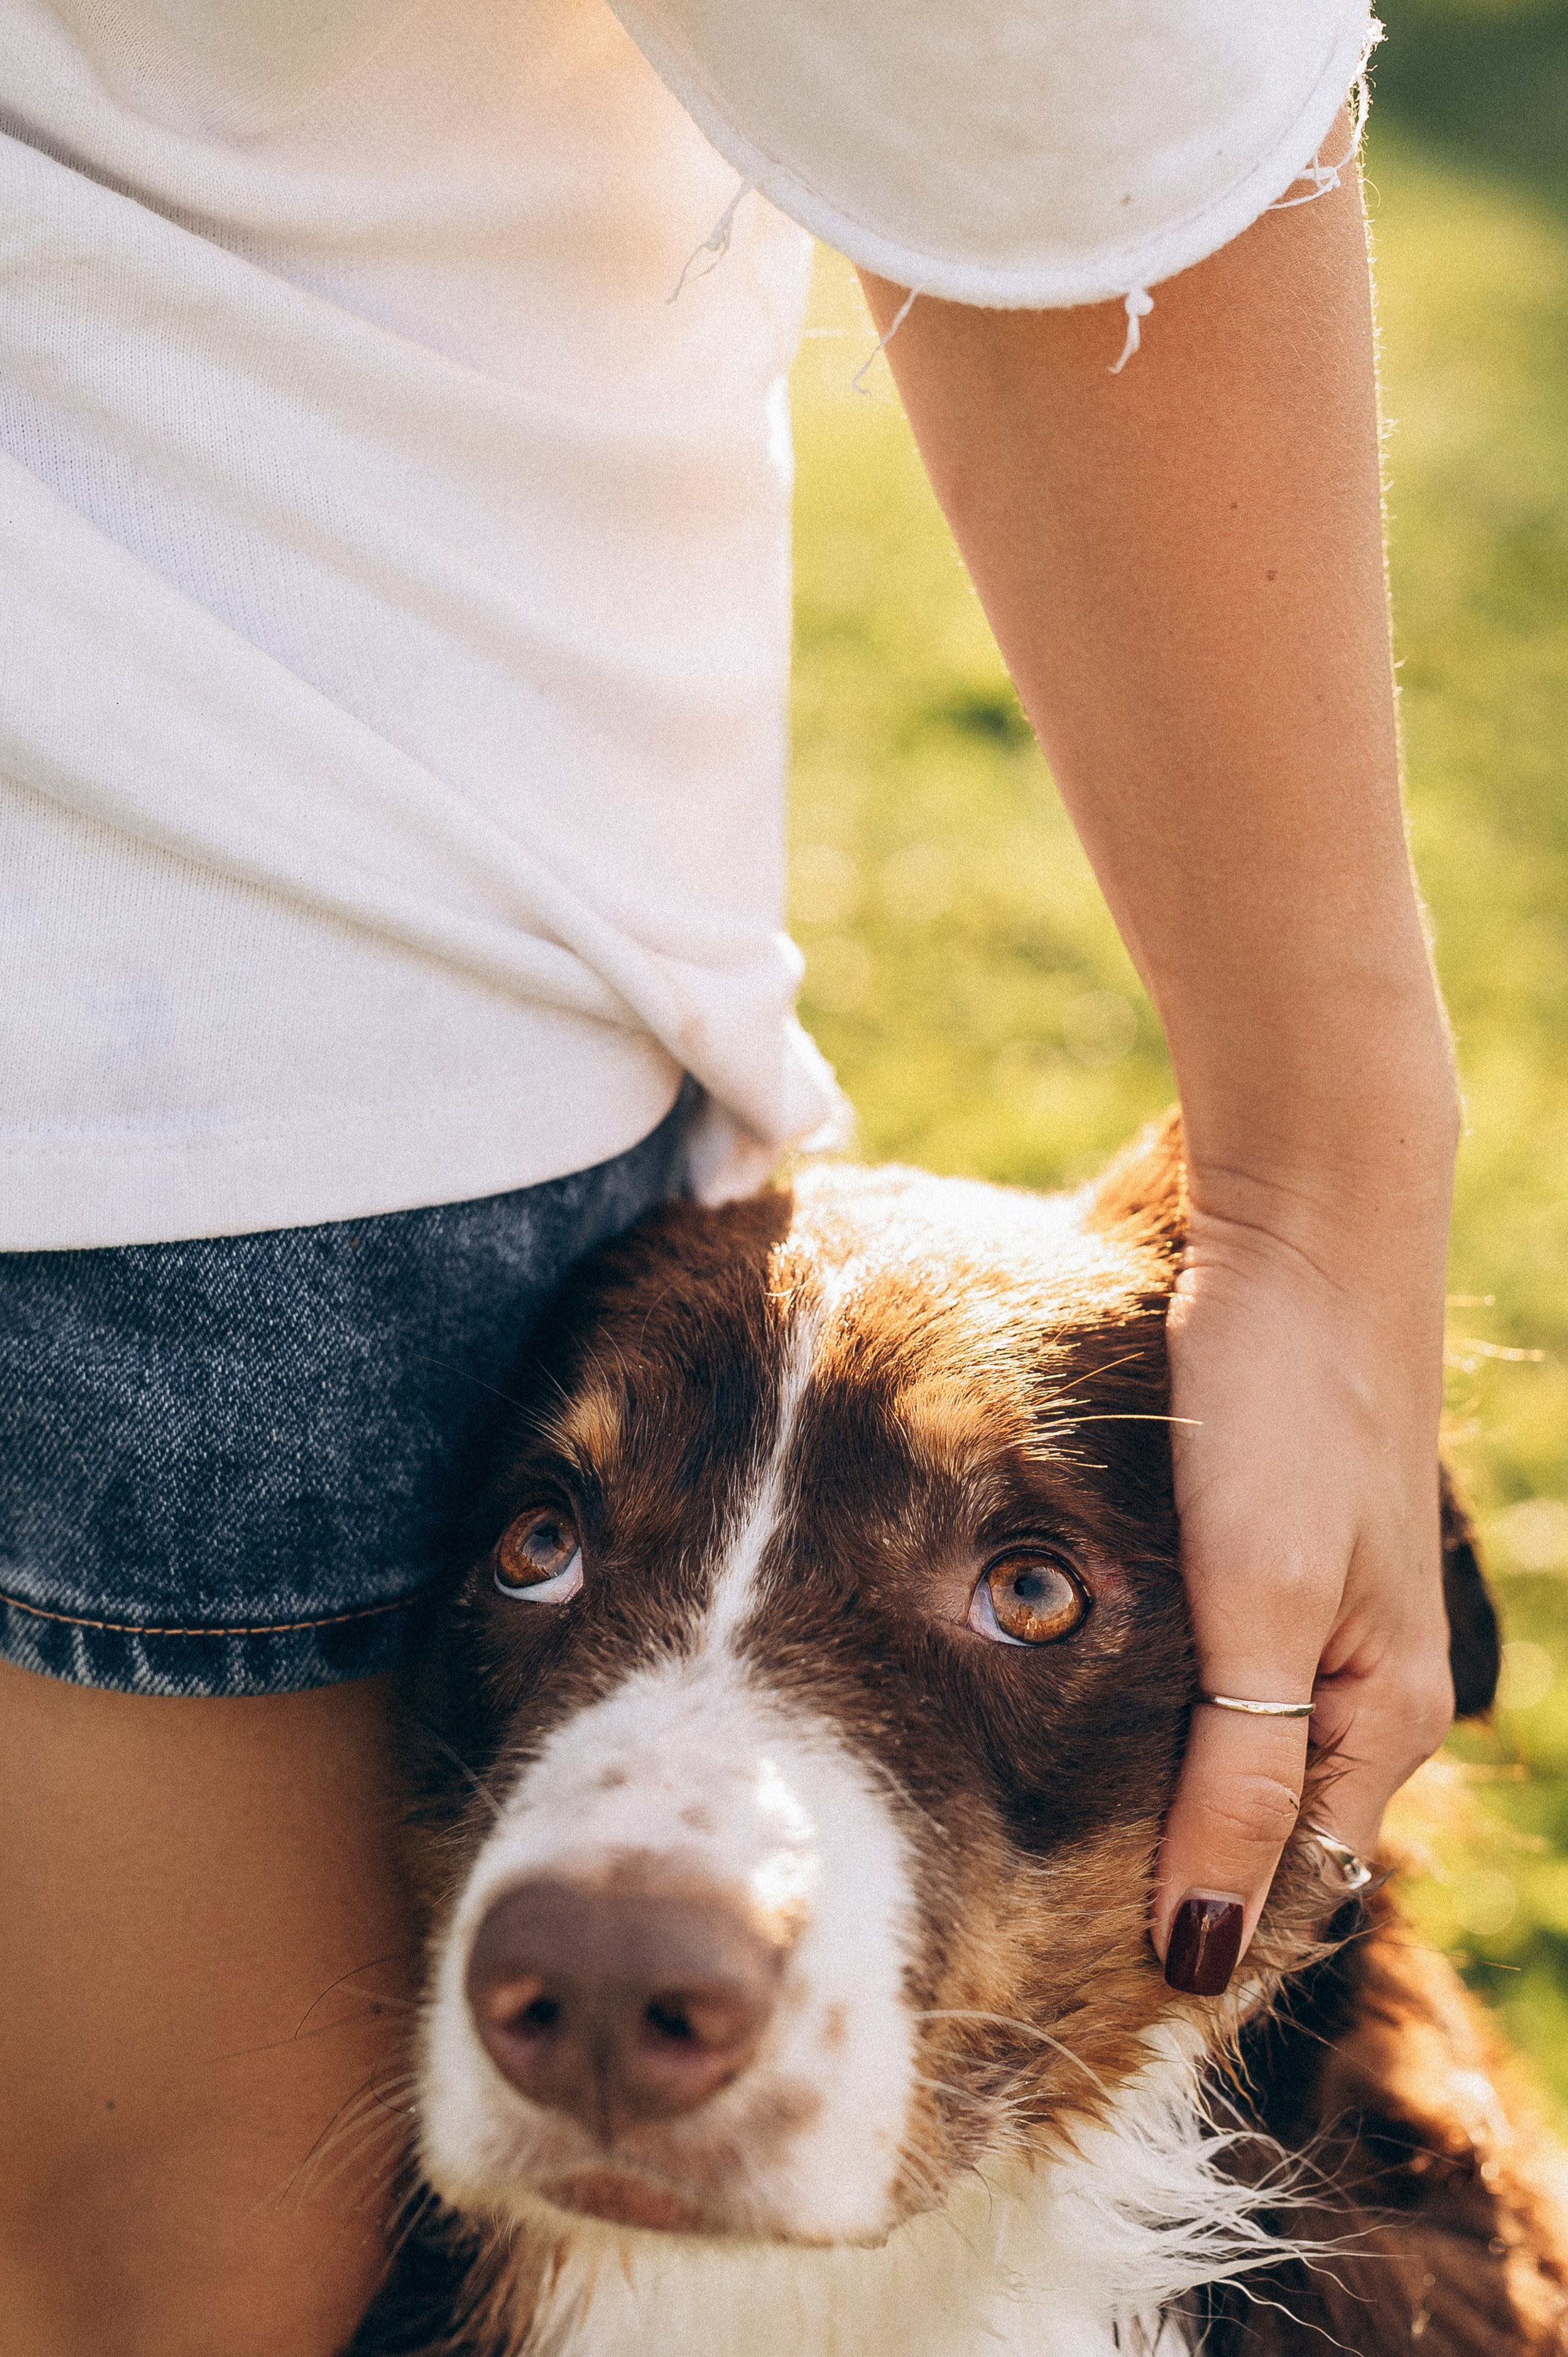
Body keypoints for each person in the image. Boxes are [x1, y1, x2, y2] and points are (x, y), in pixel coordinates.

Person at [0, 0, 1458, 2350]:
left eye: (1032, 1595)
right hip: (327, 977)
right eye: (541, 1546)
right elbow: (1071, 101)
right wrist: (1322, 1183)